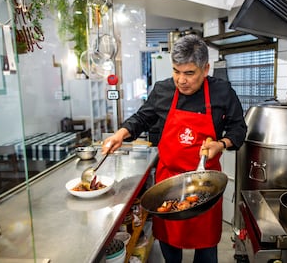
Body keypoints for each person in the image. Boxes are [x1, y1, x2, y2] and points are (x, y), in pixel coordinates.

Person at [102, 34, 247, 263]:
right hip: (168, 183)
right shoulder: (163, 90)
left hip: (205, 183)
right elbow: (142, 118)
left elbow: (239, 128)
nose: (181, 80)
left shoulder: (222, 91)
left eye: (189, 73)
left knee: (206, 246)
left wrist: (221, 144)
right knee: (169, 242)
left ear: (206, 68)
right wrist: (122, 133)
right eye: (176, 71)